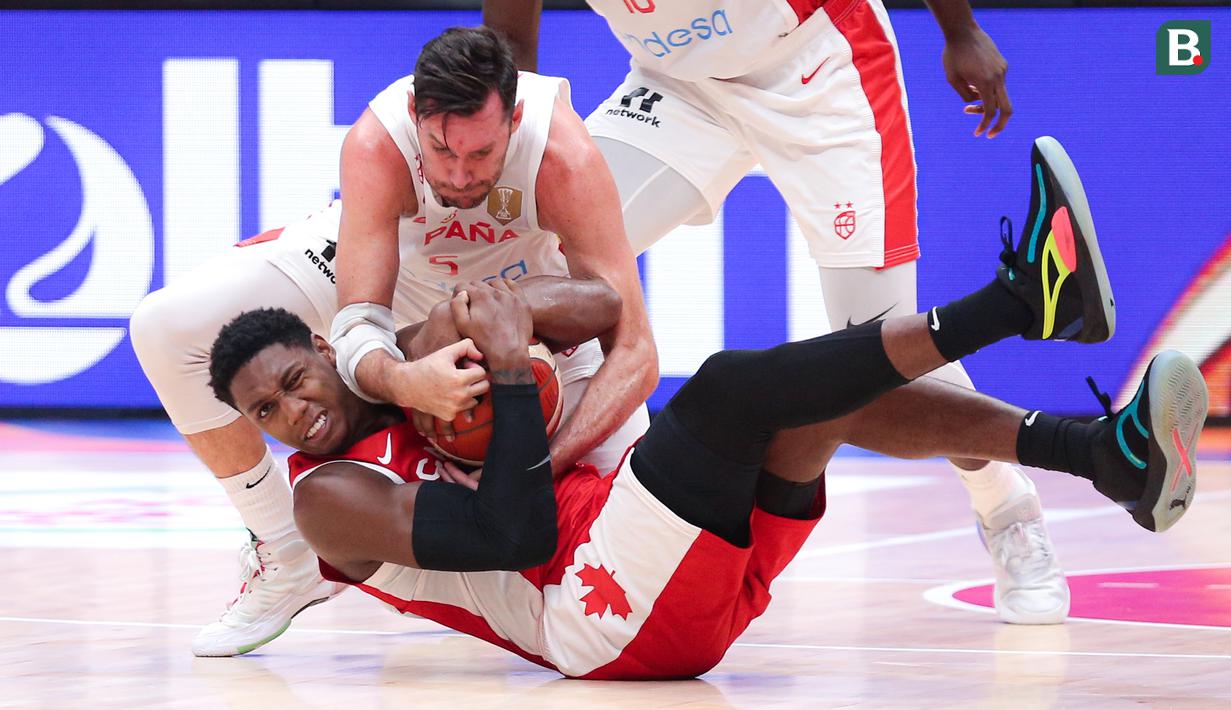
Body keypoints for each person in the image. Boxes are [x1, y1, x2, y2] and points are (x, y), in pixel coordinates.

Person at [208, 140, 1209, 679]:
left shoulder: (408, 367)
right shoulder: (327, 497)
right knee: (730, 385)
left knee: (818, 401)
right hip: (596, 616)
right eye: (264, 411)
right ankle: (1019, 303)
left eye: (293, 383)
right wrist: (510, 372)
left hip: (659, 575)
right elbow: (516, 534)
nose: (291, 414)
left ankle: (1104, 455)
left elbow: (602, 307)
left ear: (328, 353)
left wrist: (497, 313)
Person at [485, 0, 1066, 623]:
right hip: (675, 86)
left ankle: (1004, 503)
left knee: (882, 354)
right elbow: (511, 46)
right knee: (535, 263)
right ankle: (557, 519)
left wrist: (961, 30)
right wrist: (509, 171)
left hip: (818, 64)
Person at [128, 26, 655, 656]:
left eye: (482, 154)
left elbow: (636, 351)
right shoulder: (378, 143)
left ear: (513, 122)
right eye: (441, 150)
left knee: (633, 533)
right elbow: (359, 325)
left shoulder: (562, 155)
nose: (459, 175)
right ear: (415, 116)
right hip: (387, 274)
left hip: (506, 304)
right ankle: (286, 550)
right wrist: (406, 380)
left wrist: (544, 466)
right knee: (164, 327)